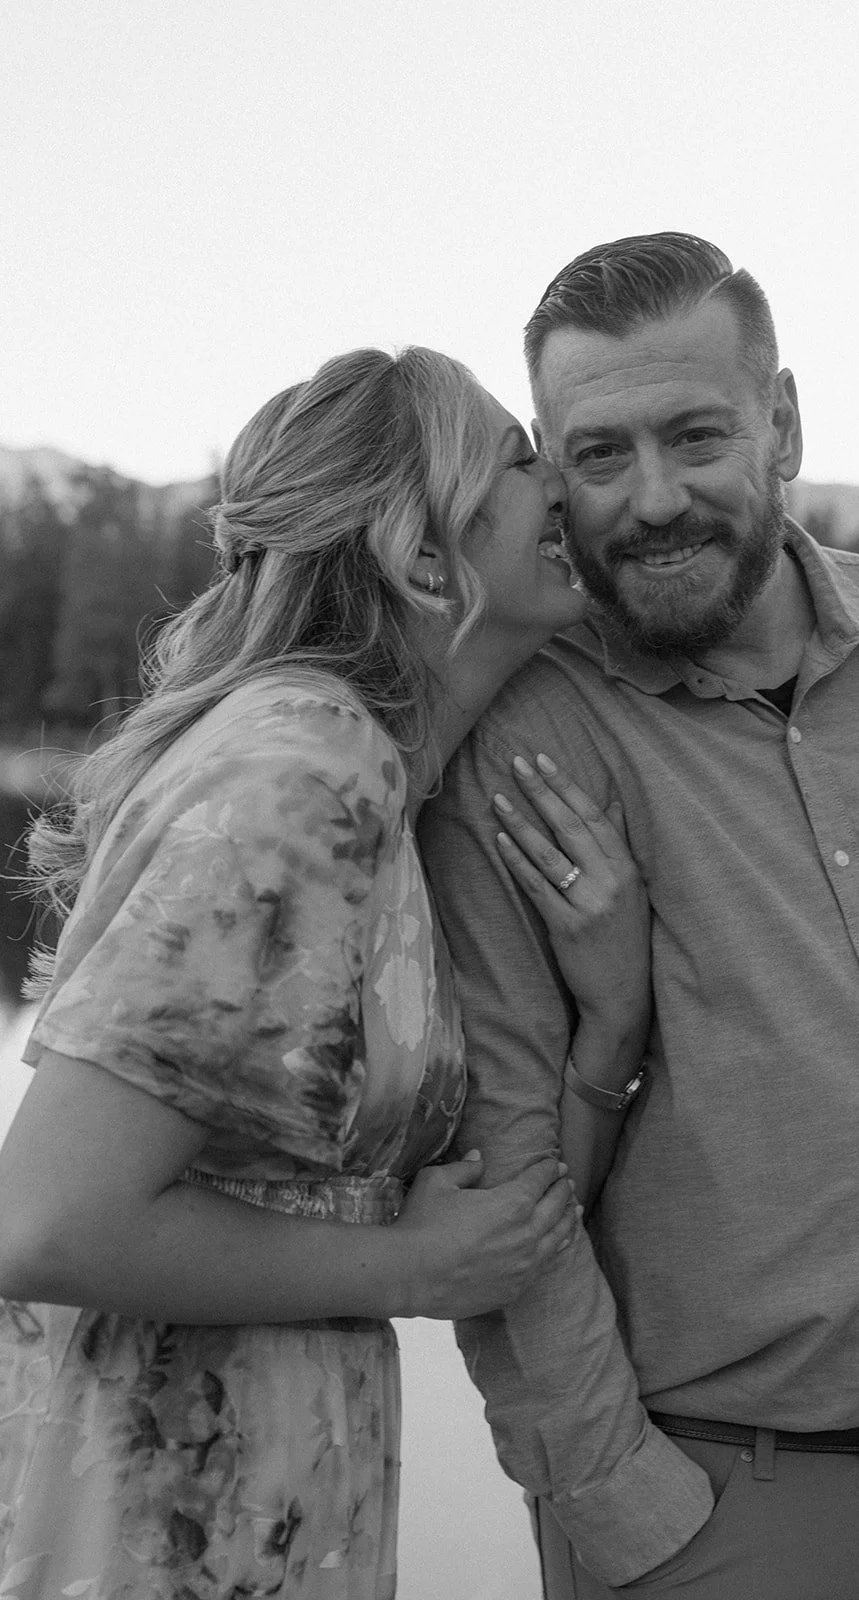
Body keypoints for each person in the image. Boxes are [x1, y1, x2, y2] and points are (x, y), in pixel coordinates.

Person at [418, 233, 859, 1598]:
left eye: (694, 435)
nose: (652, 500)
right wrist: (612, 1500)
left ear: (779, 422)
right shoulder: (520, 738)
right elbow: (502, 1170)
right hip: (709, 1515)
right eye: (597, 455)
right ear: (548, 464)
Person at [0, 344, 652, 1600]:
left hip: (276, 1510)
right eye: (522, 463)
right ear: (423, 557)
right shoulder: (305, 770)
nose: (561, 490)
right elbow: (43, 1223)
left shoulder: (385, 794)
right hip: (142, 1537)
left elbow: (487, 1228)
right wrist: (402, 1270)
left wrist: (611, 1019)